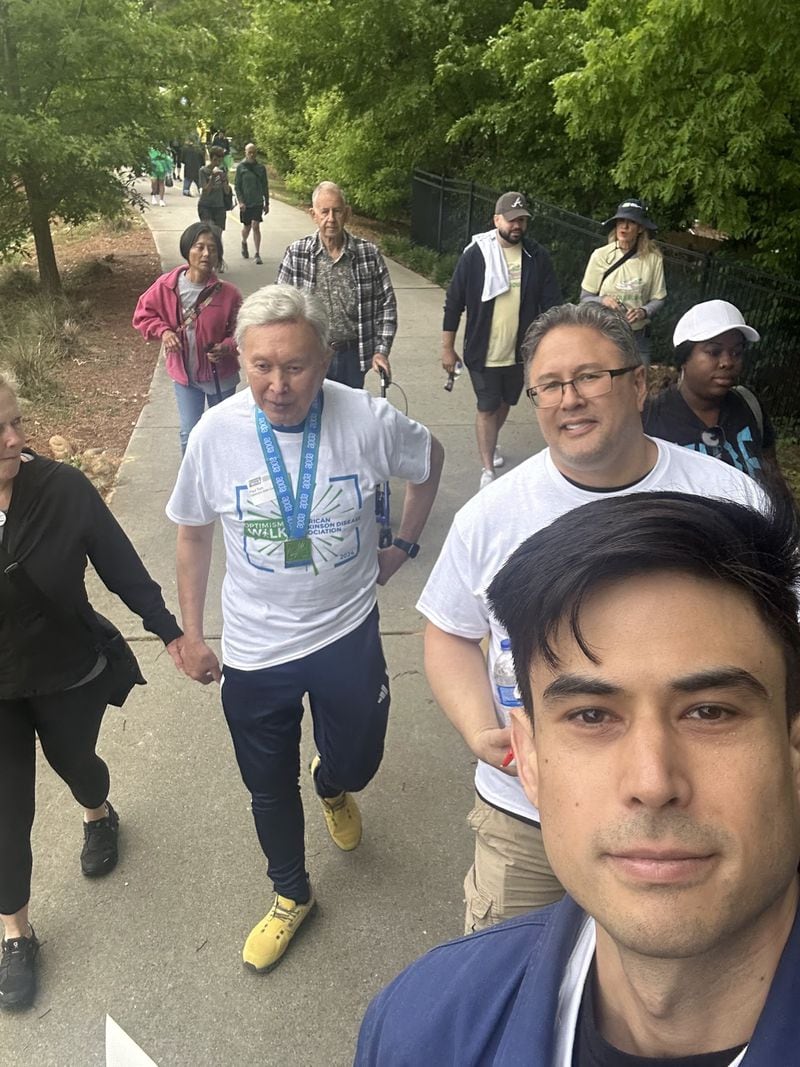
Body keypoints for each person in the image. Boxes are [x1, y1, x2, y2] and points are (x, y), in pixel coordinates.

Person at [357, 490, 800, 1064]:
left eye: (710, 711)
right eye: (591, 716)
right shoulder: (421, 1030)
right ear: (531, 759)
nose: (652, 781)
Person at [418, 301, 764, 935]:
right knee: (509, 985)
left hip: (685, 802)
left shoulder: (728, 500)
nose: (568, 399)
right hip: (529, 813)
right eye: (549, 386)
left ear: (638, 385)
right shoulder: (491, 516)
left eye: (588, 378)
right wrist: (476, 727)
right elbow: (448, 631)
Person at [166, 284, 443, 973]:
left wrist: (403, 547)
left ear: (325, 359)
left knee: (357, 760)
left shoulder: (367, 419)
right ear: (240, 358)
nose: (277, 385)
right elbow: (194, 533)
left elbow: (430, 460)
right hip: (256, 648)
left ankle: (334, 782)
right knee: (266, 784)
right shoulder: (215, 433)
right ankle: (291, 893)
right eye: (261, 365)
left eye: (295, 366)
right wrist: (191, 632)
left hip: (346, 630)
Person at [0, 371, 183, 1012]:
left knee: (77, 764)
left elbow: (120, 563)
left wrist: (170, 632)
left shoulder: (62, 490)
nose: (15, 437)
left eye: (15, 420)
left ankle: (98, 813)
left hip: (64, 669)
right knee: (5, 809)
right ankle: (16, 933)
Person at [442, 191, 561, 491]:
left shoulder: (537, 257)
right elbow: (454, 302)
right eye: (512, 219)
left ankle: (490, 442)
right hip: (484, 351)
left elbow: (551, 305)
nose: (517, 225)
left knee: (506, 403)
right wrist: (447, 347)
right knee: (486, 407)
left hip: (520, 352)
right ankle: (487, 470)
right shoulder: (476, 255)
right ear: (497, 220)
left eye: (522, 219)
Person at [132, 222, 242, 454]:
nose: (205, 254)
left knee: (222, 431)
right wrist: (164, 331)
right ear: (187, 249)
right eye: (199, 247)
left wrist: (226, 347)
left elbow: (243, 332)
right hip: (185, 376)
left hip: (220, 375)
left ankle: (222, 483)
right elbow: (143, 315)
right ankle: (192, 485)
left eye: (212, 249)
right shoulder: (166, 286)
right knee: (189, 432)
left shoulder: (229, 294)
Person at [277, 181, 397, 389]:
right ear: (313, 214)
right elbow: (279, 307)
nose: (331, 219)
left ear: (347, 214)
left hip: (353, 357)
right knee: (312, 416)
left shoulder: (368, 254)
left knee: (349, 418)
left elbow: (387, 306)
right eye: (324, 212)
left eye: (337, 211)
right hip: (310, 354)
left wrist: (381, 351)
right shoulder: (296, 254)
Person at [643, 299, 778, 482]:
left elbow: (772, 477)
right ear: (684, 358)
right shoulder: (650, 418)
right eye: (714, 352)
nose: (727, 362)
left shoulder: (749, 406)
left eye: (736, 352)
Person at [580, 197, 666, 367]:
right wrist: (603, 300)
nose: (624, 227)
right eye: (621, 221)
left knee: (639, 385)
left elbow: (659, 298)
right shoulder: (601, 255)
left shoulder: (653, 259)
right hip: (604, 333)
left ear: (640, 228)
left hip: (637, 336)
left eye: (630, 223)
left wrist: (643, 311)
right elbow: (585, 298)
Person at [235, 143, 269, 265]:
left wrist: (267, 202)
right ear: (245, 152)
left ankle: (257, 253)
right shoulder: (241, 167)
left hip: (258, 201)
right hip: (246, 202)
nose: (252, 154)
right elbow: (237, 186)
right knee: (247, 227)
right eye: (249, 152)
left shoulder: (260, 168)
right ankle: (244, 241)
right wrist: (240, 201)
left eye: (254, 152)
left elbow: (265, 185)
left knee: (256, 225)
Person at [197, 146, 231, 232]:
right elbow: (205, 191)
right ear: (211, 158)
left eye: (220, 160)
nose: (217, 163)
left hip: (219, 206)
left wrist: (223, 180)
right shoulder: (203, 171)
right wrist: (212, 178)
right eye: (215, 160)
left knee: (218, 233)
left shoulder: (223, 170)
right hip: (206, 206)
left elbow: (227, 191)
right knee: (209, 231)